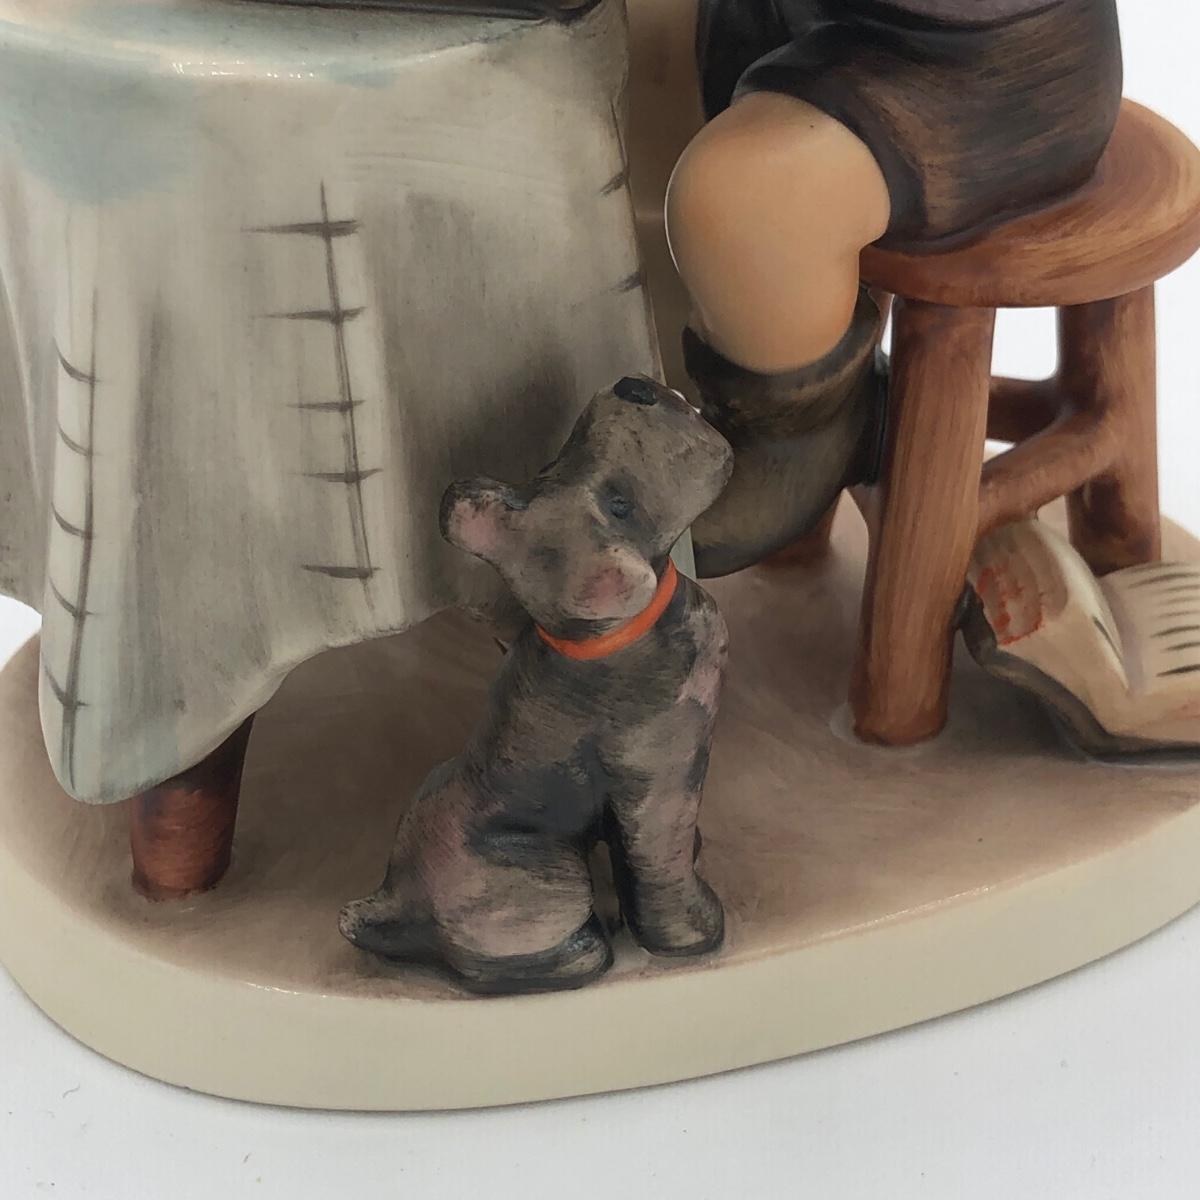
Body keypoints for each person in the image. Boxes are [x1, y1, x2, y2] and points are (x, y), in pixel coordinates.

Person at [666, 0, 1123, 577]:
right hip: (806, 25)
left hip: (985, 68)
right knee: (632, 59)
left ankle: (801, 434)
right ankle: (654, 359)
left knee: (745, 199)